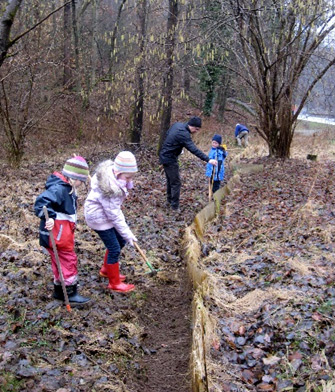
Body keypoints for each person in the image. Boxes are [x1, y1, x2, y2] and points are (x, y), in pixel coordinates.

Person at [34, 156, 91, 306]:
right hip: (57, 236)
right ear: (73, 178)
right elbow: (41, 204)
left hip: (62, 235)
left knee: (59, 262)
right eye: (81, 181)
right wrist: (50, 218)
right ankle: (70, 294)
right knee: (68, 261)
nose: (81, 184)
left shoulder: (67, 188)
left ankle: (59, 291)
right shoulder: (60, 189)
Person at [84, 151, 138, 293]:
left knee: (120, 241)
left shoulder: (116, 178)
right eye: (128, 177)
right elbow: (115, 215)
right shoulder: (109, 189)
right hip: (99, 219)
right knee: (114, 247)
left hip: (106, 215)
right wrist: (128, 233)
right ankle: (114, 283)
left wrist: (125, 235)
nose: (129, 181)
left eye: (132, 177)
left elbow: (114, 213)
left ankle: (106, 269)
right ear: (118, 172)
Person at [159, 116, 217, 211]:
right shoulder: (184, 134)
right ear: (192, 126)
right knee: (176, 183)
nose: (196, 131)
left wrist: (177, 147)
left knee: (171, 181)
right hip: (169, 158)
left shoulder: (177, 125)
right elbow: (193, 149)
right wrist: (208, 159)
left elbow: (168, 134)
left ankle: (169, 201)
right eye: (196, 129)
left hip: (165, 155)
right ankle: (174, 207)